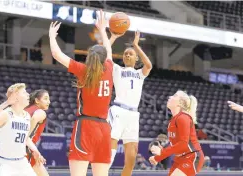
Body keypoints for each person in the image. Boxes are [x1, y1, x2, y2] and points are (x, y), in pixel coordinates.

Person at [49, 10, 113, 176]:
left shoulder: (83, 70)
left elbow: (57, 54)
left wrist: (51, 37)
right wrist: (102, 30)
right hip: (105, 129)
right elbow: (109, 50)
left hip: (86, 127)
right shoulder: (109, 68)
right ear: (104, 58)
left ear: (89, 56)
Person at [108, 31, 152, 176]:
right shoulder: (117, 70)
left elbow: (149, 65)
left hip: (133, 115)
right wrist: (112, 38)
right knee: (109, 157)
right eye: (125, 53)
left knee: (131, 159)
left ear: (136, 58)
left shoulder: (140, 73)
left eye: (130, 54)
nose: (127, 55)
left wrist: (136, 45)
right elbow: (105, 55)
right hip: (118, 111)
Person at [0, 83, 45, 176]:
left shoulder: (27, 116)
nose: (28, 95)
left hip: (22, 162)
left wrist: (35, 150)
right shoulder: (6, 114)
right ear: (15, 96)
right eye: (24, 92)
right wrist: (7, 102)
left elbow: (26, 138)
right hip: (5, 163)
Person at [149, 90, 204, 176]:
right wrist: (159, 154)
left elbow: (183, 144)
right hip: (180, 158)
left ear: (180, 103)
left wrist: (161, 155)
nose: (170, 97)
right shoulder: (172, 121)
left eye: (174, 96)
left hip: (192, 157)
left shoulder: (183, 118)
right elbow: (176, 146)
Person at [25, 89, 50, 176]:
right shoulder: (40, 112)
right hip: (28, 149)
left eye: (49, 99)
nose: (49, 102)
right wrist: (25, 136)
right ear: (36, 100)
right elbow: (35, 118)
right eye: (46, 98)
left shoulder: (25, 110)